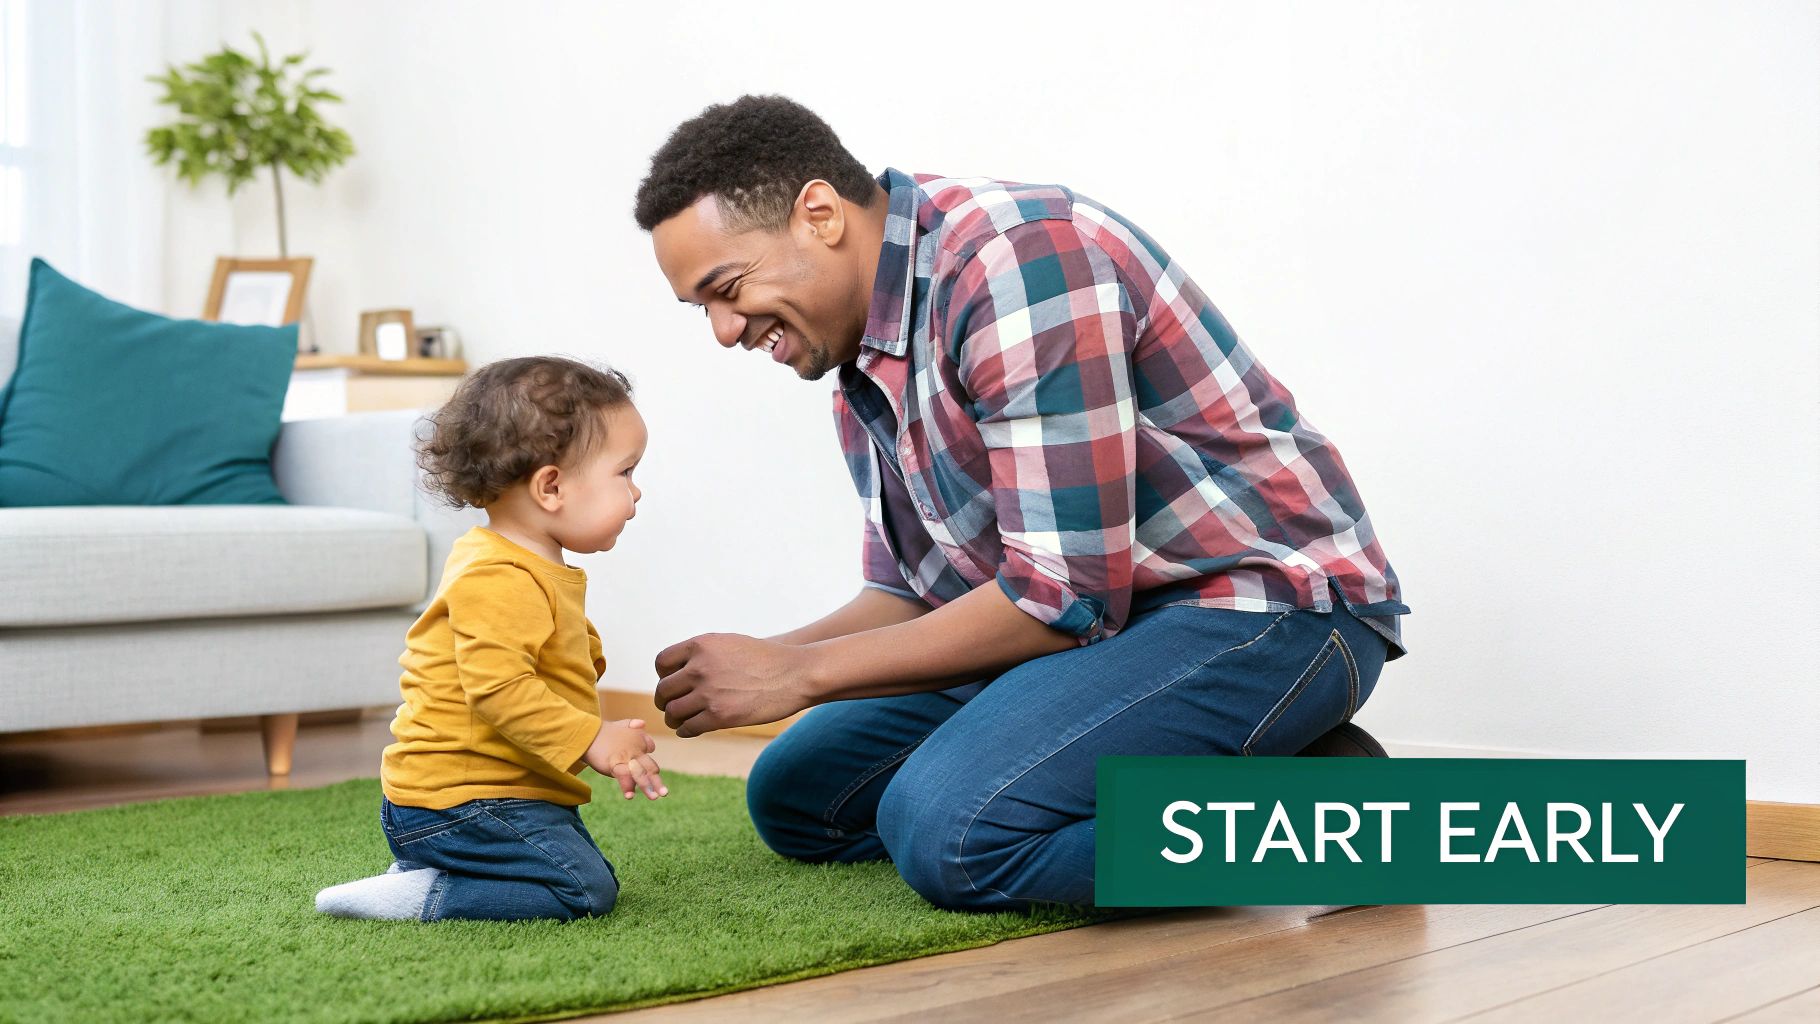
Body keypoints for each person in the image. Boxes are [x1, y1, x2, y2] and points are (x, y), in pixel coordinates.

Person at [638, 95, 1408, 911]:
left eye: (727, 288)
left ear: (819, 214)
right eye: (703, 309)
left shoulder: (1017, 263)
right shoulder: (864, 366)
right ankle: (1235, 768)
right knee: (799, 798)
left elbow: (1062, 595)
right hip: (1098, 630)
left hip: (1263, 609)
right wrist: (760, 660)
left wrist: (800, 673)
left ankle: (1344, 829)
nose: (723, 330)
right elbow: (911, 593)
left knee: (951, 835)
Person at [315, 356, 665, 922]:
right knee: (584, 891)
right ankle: (423, 893)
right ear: (551, 487)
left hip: (492, 795)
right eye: (625, 472)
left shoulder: (528, 564)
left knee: (581, 874)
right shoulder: (498, 574)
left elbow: (552, 653)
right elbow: (498, 688)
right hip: (460, 800)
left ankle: (434, 871)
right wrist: (590, 738)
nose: (637, 491)